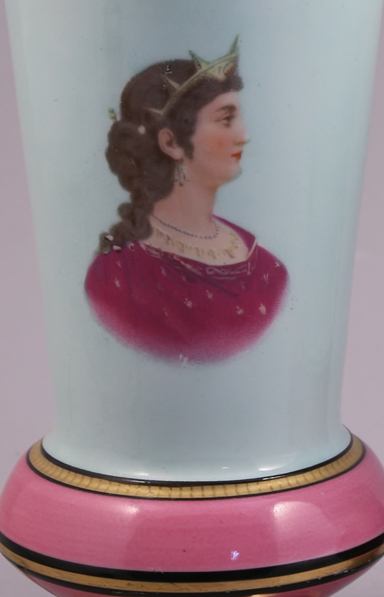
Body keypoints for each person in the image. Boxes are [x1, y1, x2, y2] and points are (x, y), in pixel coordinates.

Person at [84, 40, 287, 363]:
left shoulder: (267, 270)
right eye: (226, 119)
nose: (244, 135)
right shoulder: (118, 277)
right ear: (171, 142)